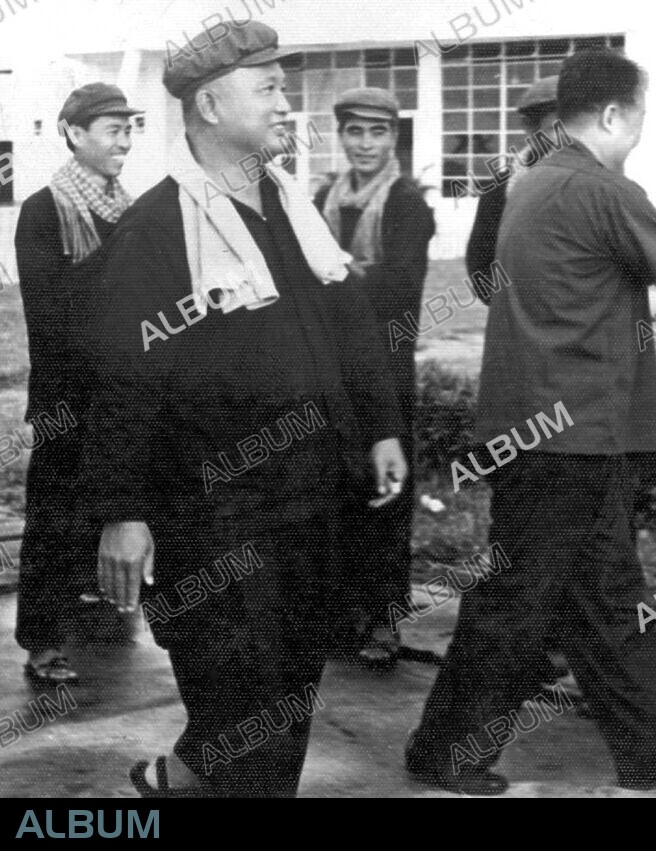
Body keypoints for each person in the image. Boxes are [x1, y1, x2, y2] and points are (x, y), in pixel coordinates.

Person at [406, 48, 656, 795]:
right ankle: (447, 749)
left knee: (602, 598)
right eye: (641, 112)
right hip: (572, 435)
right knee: (520, 603)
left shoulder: (532, 185)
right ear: (614, 114)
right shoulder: (606, 188)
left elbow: (596, 293)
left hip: (545, 433)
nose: (642, 127)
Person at [78, 22, 406, 798]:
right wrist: (123, 512)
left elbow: (351, 322)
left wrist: (385, 424)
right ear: (211, 106)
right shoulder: (156, 229)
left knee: (285, 697)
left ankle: (180, 778)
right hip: (216, 517)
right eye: (270, 89)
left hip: (310, 498)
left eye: (282, 87)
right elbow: (123, 380)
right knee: (243, 703)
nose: (287, 104)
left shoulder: (292, 208)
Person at [15, 83, 143, 687]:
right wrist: (125, 262)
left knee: (110, 502)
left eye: (128, 128)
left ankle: (97, 604)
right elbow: (49, 311)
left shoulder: (129, 207)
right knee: (53, 514)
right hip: (68, 392)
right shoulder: (43, 210)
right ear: (74, 133)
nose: (125, 140)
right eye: (113, 129)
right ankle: (40, 639)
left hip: (120, 387)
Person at [315, 87, 435, 670]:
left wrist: (336, 276)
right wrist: (351, 276)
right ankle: (340, 614)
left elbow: (399, 292)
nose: (365, 144)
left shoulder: (408, 203)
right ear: (340, 136)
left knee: (387, 488)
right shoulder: (322, 196)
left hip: (385, 366)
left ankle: (384, 617)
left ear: (394, 138)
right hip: (330, 368)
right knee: (337, 485)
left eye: (378, 133)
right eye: (355, 132)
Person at [464, 75, 557, 294]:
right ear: (531, 130)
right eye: (556, 129)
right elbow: (481, 271)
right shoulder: (499, 190)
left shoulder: (600, 184)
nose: (568, 139)